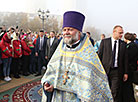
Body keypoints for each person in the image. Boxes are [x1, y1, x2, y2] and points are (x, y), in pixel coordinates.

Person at [41, 11, 113, 102]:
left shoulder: (88, 55)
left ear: (79, 32)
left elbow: (94, 84)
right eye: (64, 29)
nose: (66, 32)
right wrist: (47, 85)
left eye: (70, 29)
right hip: (58, 97)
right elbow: (49, 75)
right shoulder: (59, 52)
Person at [98, 25, 128, 102]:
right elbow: (99, 56)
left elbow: (125, 60)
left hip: (117, 72)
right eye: (120, 33)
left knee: (115, 91)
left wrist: (125, 73)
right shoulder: (105, 42)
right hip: (105, 70)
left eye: (122, 33)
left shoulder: (123, 44)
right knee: (105, 90)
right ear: (114, 32)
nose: (122, 35)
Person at [123, 32, 138, 102]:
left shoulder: (131, 46)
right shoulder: (133, 45)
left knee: (128, 86)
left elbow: (129, 57)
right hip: (132, 67)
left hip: (130, 68)